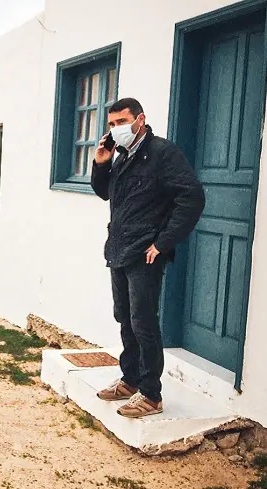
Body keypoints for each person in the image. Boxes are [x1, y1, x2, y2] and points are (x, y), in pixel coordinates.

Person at [91, 98, 205, 418]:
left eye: (122, 122)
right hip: (119, 249)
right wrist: (101, 162)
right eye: (112, 124)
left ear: (140, 119)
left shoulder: (162, 153)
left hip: (146, 254)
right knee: (125, 318)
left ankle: (151, 395)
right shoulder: (122, 155)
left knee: (143, 322)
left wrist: (163, 242)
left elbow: (192, 197)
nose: (117, 129)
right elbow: (104, 193)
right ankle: (130, 380)